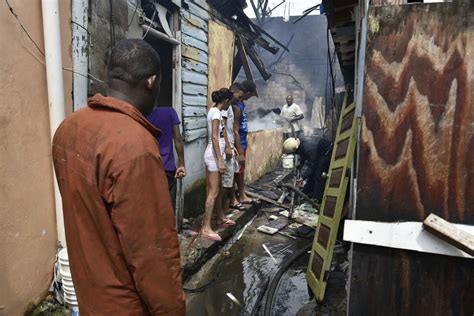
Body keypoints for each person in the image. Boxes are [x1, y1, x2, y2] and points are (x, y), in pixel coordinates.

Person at [52, 39, 185, 315]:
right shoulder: (134, 145)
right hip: (125, 306)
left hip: (89, 297)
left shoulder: (68, 128)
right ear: (152, 81)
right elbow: (152, 254)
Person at [202, 88, 235, 241]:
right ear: (226, 101)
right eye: (230, 102)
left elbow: (221, 136)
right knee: (213, 192)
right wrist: (220, 161)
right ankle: (206, 228)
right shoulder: (215, 113)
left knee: (217, 189)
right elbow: (214, 137)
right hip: (214, 157)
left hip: (216, 155)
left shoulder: (216, 112)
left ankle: (220, 217)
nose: (230, 105)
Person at [147, 105, 186, 210]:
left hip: (149, 167)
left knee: (152, 206)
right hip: (167, 167)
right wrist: (181, 164)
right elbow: (178, 138)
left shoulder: (141, 115)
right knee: (168, 206)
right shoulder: (169, 112)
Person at [283, 136, 332, 202]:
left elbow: (312, 164)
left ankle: (317, 199)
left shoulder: (308, 148)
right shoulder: (300, 142)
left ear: (295, 148)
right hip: (318, 153)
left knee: (318, 174)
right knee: (312, 173)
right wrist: (300, 165)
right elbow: (304, 155)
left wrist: (303, 177)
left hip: (326, 152)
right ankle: (307, 191)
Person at [231, 80, 256, 207]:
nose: (247, 98)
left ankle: (241, 194)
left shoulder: (240, 103)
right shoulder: (235, 106)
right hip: (238, 143)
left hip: (242, 142)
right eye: (249, 95)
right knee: (236, 171)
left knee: (240, 170)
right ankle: (238, 196)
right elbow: (235, 130)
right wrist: (240, 151)